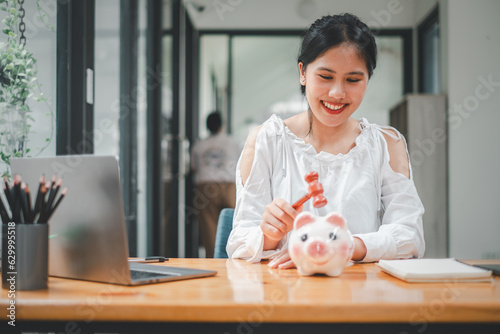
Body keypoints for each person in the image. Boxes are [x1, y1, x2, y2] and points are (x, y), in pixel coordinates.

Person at [226, 13, 425, 268]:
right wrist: (269, 235)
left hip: (359, 294)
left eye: (353, 80)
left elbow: (411, 237)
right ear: (303, 73)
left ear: (367, 80)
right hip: (283, 293)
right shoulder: (267, 140)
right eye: (326, 76)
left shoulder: (386, 144)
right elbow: (238, 243)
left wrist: (346, 246)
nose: (337, 93)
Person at [191, 111, 241, 258]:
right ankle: (235, 256)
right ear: (222, 126)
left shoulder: (199, 145)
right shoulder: (233, 143)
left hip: (205, 187)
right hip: (229, 185)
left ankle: (213, 258)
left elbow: (193, 167)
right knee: (234, 222)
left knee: (209, 227)